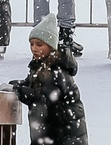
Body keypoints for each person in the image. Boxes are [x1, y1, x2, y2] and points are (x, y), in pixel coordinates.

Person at [15, 13, 88, 145]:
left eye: (39, 44)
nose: (34, 48)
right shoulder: (40, 65)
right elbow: (32, 84)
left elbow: (42, 97)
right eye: (31, 44)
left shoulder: (57, 71)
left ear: (51, 46)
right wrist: (17, 85)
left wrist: (18, 91)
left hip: (64, 137)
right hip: (53, 134)